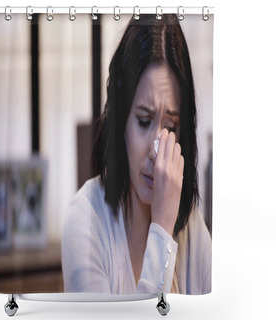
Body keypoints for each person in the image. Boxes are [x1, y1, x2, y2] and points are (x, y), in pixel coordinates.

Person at [62, 14, 211, 295]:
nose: (158, 151)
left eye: (170, 127)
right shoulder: (85, 220)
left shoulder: (192, 225)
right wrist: (162, 229)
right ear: (121, 121)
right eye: (144, 121)